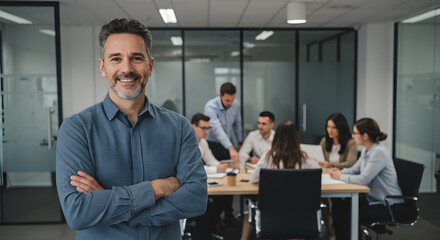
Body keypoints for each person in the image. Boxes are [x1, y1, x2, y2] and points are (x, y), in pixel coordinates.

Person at [56, 18, 207, 240]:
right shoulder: (76, 129)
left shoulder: (180, 127)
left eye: (136, 58)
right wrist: (158, 188)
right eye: (116, 59)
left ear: (150, 66)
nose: (126, 69)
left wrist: (118, 208)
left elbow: (196, 198)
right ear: (102, 67)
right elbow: (78, 212)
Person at [240, 121, 319, 240]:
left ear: (276, 138)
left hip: (272, 215)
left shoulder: (269, 157)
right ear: (296, 138)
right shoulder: (304, 158)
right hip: (300, 215)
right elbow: (314, 179)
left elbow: (254, 178)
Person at [329, 118, 403, 240]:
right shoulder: (367, 150)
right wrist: (338, 172)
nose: (353, 136)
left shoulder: (378, 152)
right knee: (339, 207)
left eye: (355, 133)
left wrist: (341, 176)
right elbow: (355, 169)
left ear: (365, 136)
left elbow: (363, 179)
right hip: (373, 199)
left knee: (347, 213)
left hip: (388, 204)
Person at [204, 82, 243, 162]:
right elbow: (217, 129)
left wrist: (240, 142)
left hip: (226, 145)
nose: (230, 103)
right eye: (227, 100)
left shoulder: (235, 104)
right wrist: (231, 148)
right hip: (212, 145)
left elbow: (237, 124)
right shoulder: (210, 106)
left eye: (232, 100)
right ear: (220, 96)